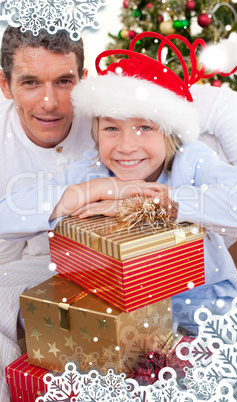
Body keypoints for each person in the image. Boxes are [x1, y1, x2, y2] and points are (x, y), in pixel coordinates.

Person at [0, 32, 237, 339]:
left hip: (210, 312)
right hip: (132, 320)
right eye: (112, 128)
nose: (126, 146)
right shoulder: (91, 168)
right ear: (97, 132)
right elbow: (7, 216)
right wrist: (97, 190)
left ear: (168, 130)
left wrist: (161, 203)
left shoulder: (190, 160)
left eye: (144, 128)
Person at [0, 26, 95, 401]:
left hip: (96, 261)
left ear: (84, 81)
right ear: (5, 85)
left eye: (64, 81)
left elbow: (219, 105)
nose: (50, 102)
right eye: (30, 83)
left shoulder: (111, 119)